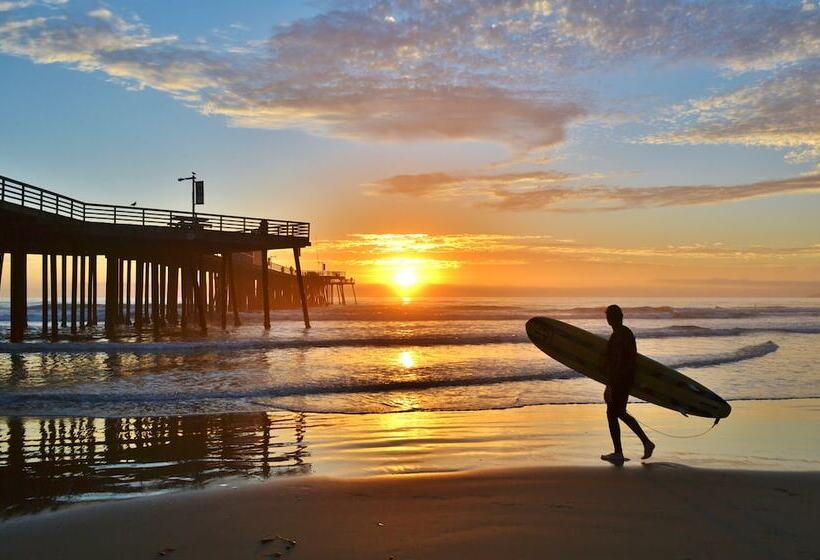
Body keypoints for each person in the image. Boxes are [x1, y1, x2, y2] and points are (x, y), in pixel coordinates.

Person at [601, 304, 655, 465]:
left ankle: (620, 452)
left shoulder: (618, 335)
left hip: (619, 380)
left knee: (614, 413)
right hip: (626, 379)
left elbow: (616, 362)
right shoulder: (626, 332)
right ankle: (645, 443)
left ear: (610, 319)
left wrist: (610, 385)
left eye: (608, 316)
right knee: (618, 412)